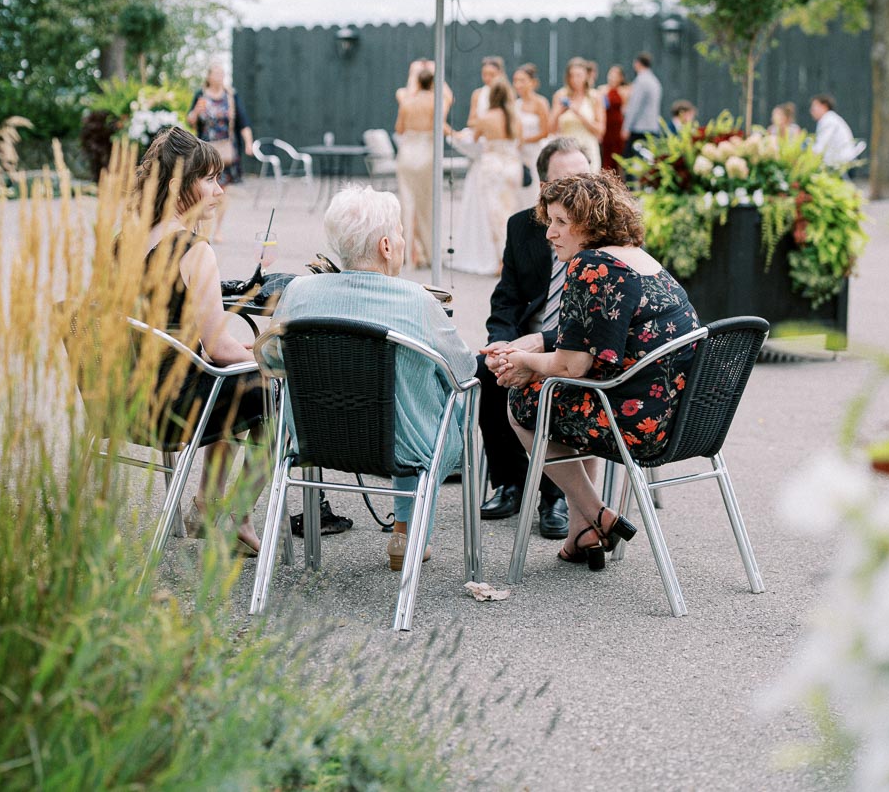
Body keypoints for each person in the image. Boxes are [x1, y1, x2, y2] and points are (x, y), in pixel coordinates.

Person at [489, 170, 700, 571]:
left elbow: (573, 364)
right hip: (681, 417)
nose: (549, 233)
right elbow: (601, 341)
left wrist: (523, 364)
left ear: (591, 222)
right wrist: (537, 351)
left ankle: (596, 513)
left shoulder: (591, 266)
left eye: (561, 222)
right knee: (559, 395)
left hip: (638, 423)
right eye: (549, 220)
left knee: (525, 404)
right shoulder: (636, 257)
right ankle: (579, 533)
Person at [264, 185, 476, 571]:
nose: (400, 238)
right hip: (402, 446)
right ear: (385, 246)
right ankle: (407, 532)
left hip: (312, 440)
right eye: (397, 231)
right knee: (452, 402)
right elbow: (465, 370)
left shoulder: (298, 292)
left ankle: (404, 529)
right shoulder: (417, 301)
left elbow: (271, 359)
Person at [134, 127, 267, 554]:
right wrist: (270, 356)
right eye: (208, 180)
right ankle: (237, 515)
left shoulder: (125, 241)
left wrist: (243, 355)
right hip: (175, 407)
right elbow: (218, 348)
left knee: (236, 382)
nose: (219, 192)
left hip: (127, 399)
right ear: (178, 185)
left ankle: (209, 506)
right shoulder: (194, 250)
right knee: (270, 393)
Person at [477, 137, 592, 539]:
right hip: (527, 335)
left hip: (576, 345)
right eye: (565, 182)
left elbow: (594, 325)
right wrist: (501, 345)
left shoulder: (603, 236)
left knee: (554, 379)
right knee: (485, 369)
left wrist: (538, 347)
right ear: (544, 189)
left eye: (584, 179)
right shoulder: (521, 226)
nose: (577, 191)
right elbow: (505, 299)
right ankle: (509, 482)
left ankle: (557, 495)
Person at [453, 76, 522, 275]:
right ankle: (513, 256)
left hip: (493, 167)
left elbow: (474, 141)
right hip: (512, 166)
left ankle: (502, 260)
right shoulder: (514, 117)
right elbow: (520, 141)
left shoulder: (485, 117)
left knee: (495, 214)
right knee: (510, 211)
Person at [187, 61, 253, 242]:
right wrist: (195, 112)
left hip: (225, 152)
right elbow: (190, 121)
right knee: (201, 189)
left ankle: (218, 229)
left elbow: (243, 121)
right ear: (208, 76)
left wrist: (248, 143)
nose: (219, 77)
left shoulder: (231, 96)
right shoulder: (200, 95)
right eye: (216, 73)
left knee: (221, 191)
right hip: (205, 150)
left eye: (222, 73)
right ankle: (200, 227)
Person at [395, 67, 437, 269]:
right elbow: (438, 127)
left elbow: (399, 129)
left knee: (407, 202)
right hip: (426, 154)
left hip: (407, 153)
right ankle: (429, 252)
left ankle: (407, 252)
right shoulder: (435, 102)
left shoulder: (407, 102)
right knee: (426, 204)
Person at [548, 57, 605, 170]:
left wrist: (579, 114)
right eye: (571, 75)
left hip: (588, 149)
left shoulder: (595, 97)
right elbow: (550, 129)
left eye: (578, 75)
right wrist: (558, 113)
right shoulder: (560, 95)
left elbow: (600, 130)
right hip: (565, 150)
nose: (575, 79)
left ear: (586, 76)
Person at [512, 63, 550, 207]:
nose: (518, 84)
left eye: (522, 80)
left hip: (534, 152)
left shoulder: (540, 103)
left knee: (533, 191)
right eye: (515, 80)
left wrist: (524, 140)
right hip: (518, 153)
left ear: (532, 82)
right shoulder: (515, 104)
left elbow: (545, 131)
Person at [622, 52, 662, 157]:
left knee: (629, 158)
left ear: (637, 64)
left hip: (639, 128)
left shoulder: (641, 81)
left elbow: (634, 105)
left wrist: (626, 127)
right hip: (652, 126)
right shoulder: (655, 81)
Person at [810, 94, 858, 166]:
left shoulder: (828, 120)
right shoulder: (830, 118)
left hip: (842, 164)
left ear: (824, 106)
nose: (811, 111)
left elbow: (820, 147)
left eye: (814, 107)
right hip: (840, 162)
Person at [597, 64, 628, 171]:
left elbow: (625, 110)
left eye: (615, 75)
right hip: (606, 124)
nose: (612, 77)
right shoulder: (602, 89)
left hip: (618, 126)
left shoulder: (624, 90)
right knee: (606, 154)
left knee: (618, 155)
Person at [465, 56, 506, 126]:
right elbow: (470, 122)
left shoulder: (506, 94)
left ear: (500, 73)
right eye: (484, 74)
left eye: (492, 75)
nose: (487, 78)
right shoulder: (477, 94)